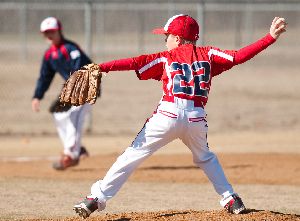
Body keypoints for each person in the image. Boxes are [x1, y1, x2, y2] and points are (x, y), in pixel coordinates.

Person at [73, 15, 287, 218]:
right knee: (206, 158)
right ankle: (231, 199)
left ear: (176, 38)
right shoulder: (209, 54)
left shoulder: (167, 57)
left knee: (132, 155)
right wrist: (269, 38)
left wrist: (102, 67)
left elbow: (135, 62)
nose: (165, 41)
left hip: (168, 114)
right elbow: (239, 56)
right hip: (196, 117)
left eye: (166, 37)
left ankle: (96, 198)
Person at [31, 17, 95, 170]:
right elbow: (45, 77)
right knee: (58, 114)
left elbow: (80, 68)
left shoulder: (70, 48)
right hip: (71, 89)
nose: (49, 35)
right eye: (45, 33)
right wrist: (37, 96)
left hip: (87, 85)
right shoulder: (49, 55)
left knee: (74, 116)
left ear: (59, 31)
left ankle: (71, 155)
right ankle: (76, 148)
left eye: (52, 31)